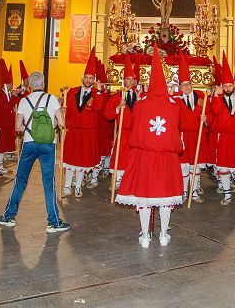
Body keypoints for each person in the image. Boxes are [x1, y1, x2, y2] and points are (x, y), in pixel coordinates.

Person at [116, 47, 195, 247]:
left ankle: (144, 235)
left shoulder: (141, 106)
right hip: (166, 158)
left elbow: (135, 130)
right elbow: (177, 131)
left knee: (144, 197)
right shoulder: (173, 106)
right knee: (165, 196)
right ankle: (163, 235)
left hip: (144, 157)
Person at [0, 71, 70, 233]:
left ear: (30, 85)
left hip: (29, 144)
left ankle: (9, 216)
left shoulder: (23, 101)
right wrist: (52, 125)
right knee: (48, 182)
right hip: (48, 145)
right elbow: (62, 123)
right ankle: (53, 222)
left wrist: (30, 130)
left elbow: (17, 127)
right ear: (43, 84)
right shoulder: (52, 99)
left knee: (21, 180)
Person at [207, 54, 235, 205]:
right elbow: (216, 111)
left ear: (233, 85)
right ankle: (227, 194)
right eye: (224, 86)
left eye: (229, 86)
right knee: (224, 166)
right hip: (223, 137)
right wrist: (216, 95)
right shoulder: (218, 99)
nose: (227, 88)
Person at [61, 50, 106, 197]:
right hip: (74, 130)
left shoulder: (96, 95)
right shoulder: (72, 92)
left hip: (88, 131)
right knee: (69, 159)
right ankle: (67, 186)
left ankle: (78, 186)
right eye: (86, 77)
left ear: (94, 80)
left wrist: (99, 92)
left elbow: (99, 108)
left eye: (90, 78)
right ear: (82, 78)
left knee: (82, 162)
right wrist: (62, 108)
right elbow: (65, 109)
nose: (88, 80)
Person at [106, 55, 140, 189]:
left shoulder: (140, 96)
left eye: (132, 79)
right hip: (123, 133)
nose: (130, 82)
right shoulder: (116, 97)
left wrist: (139, 103)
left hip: (136, 134)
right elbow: (107, 115)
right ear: (124, 80)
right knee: (121, 157)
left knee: (133, 158)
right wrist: (118, 107)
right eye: (128, 79)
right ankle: (119, 180)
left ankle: (131, 180)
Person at [175, 52, 205, 203]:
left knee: (195, 166)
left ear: (192, 85)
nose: (186, 87)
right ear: (179, 87)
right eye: (183, 85)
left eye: (188, 84)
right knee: (183, 166)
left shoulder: (201, 98)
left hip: (197, 135)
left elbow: (210, 113)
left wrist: (206, 119)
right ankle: (184, 191)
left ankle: (194, 192)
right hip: (183, 137)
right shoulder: (176, 101)